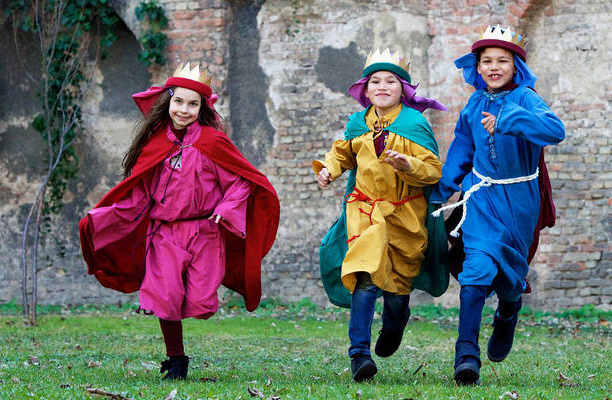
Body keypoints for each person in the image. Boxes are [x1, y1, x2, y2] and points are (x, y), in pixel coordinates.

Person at [78, 62, 280, 380]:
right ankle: (176, 360)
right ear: (168, 101)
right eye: (178, 102)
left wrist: (226, 209)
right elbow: (140, 191)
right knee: (165, 297)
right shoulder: (156, 142)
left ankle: (180, 348)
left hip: (204, 232)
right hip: (164, 233)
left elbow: (242, 181)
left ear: (201, 108)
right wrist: (108, 216)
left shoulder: (213, 143)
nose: (184, 110)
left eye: (192, 104)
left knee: (200, 300)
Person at [430, 25, 565, 385]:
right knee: (476, 268)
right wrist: (443, 188)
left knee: (509, 279)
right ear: (477, 67)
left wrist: (508, 121)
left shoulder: (526, 97)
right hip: (482, 197)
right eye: (486, 60)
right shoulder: (474, 103)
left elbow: (555, 130)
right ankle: (466, 357)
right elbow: (462, 147)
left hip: (519, 202)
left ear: (515, 66)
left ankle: (508, 311)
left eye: (501, 60)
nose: (493, 66)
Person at [314, 49, 449, 382]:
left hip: (405, 215)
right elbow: (341, 153)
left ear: (403, 89)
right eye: (376, 81)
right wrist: (329, 170)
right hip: (365, 210)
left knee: (398, 282)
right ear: (366, 88)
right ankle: (359, 355)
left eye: (391, 81)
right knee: (364, 276)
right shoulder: (357, 123)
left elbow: (433, 172)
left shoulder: (415, 124)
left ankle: (395, 321)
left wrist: (408, 165)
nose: (383, 86)